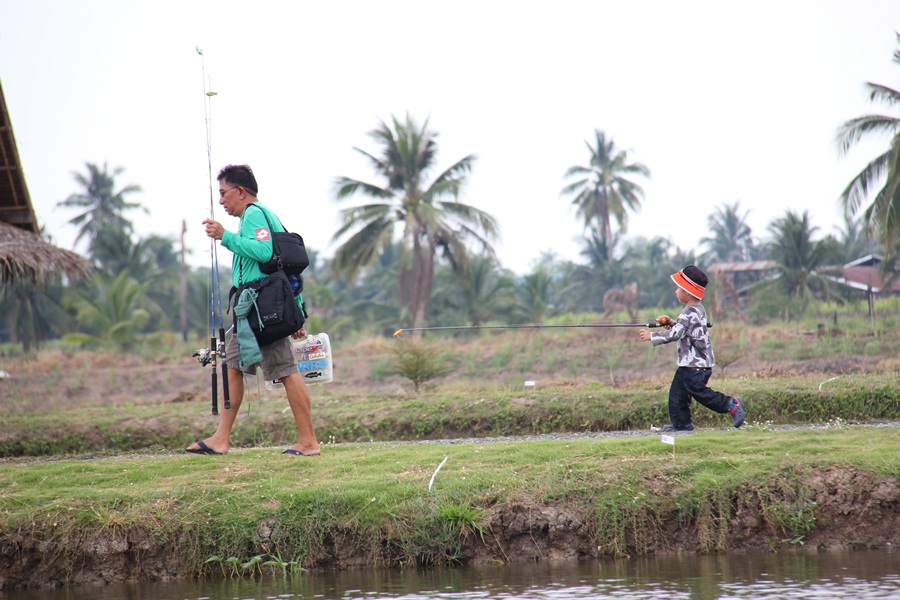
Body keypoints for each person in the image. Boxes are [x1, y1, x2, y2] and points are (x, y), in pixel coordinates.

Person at [186, 164, 320, 456]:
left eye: (223, 193)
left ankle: (308, 441)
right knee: (233, 365)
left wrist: (225, 236)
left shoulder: (254, 214)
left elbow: (264, 253)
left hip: (262, 312)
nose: (221, 201)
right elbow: (283, 268)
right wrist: (297, 312)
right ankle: (221, 438)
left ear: (241, 192)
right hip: (254, 310)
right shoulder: (260, 216)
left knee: (285, 370)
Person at [638, 265, 745, 432]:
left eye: (679, 288)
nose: (676, 291)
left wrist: (652, 336)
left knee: (699, 392)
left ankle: (731, 404)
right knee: (677, 394)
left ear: (688, 292)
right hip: (689, 364)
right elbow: (683, 329)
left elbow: (675, 335)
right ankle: (682, 424)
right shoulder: (695, 310)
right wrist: (673, 323)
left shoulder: (689, 313)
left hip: (697, 365)